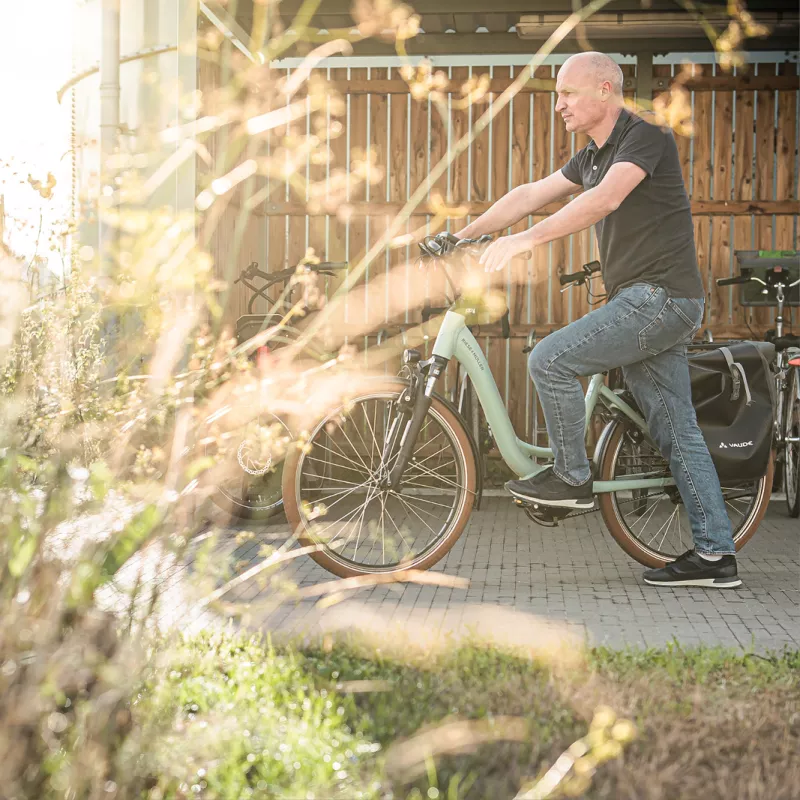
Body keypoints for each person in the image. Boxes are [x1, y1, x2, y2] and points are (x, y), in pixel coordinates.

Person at [454, 51, 740, 589]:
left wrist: (524, 241)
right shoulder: (589, 156)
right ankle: (715, 556)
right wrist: (465, 236)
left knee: (551, 358)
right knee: (676, 431)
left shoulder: (644, 138)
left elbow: (605, 201)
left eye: (567, 92)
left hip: (660, 299)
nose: (558, 104)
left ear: (605, 90)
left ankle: (571, 477)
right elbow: (529, 195)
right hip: (644, 302)